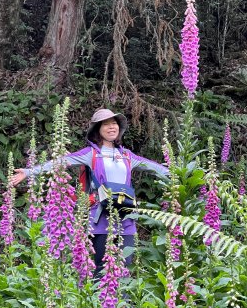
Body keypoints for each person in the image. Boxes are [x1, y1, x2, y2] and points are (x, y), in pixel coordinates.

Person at [12, 108, 168, 276]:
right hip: (100, 219)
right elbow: (60, 162)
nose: (111, 127)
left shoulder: (127, 156)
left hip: (126, 220)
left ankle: (125, 303)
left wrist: (183, 172)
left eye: (114, 123)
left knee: (125, 271)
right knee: (100, 271)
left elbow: (155, 168)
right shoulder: (91, 154)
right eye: (106, 124)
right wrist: (28, 172)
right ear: (98, 130)